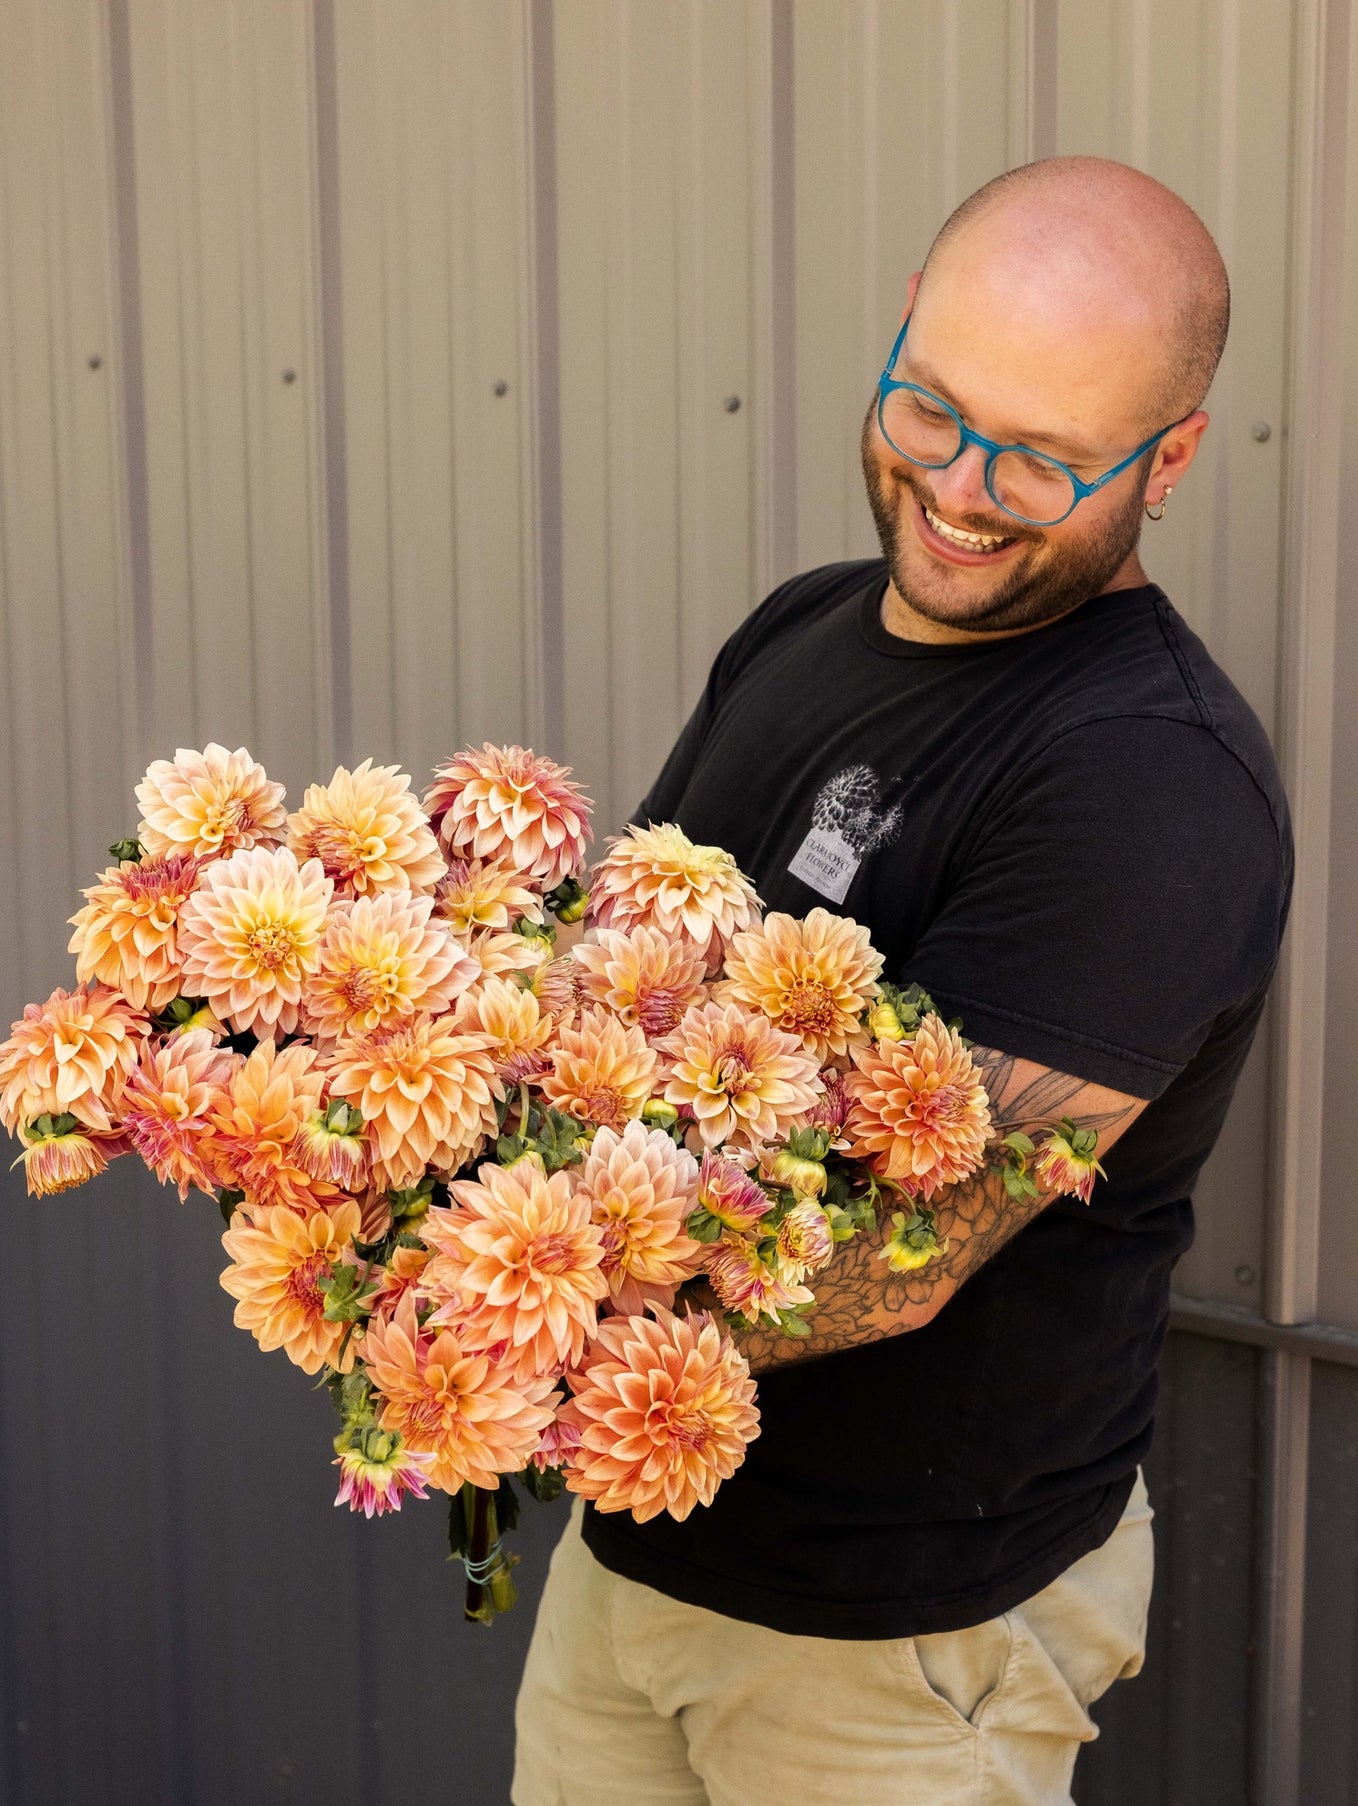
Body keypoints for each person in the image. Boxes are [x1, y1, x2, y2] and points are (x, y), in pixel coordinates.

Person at [513, 155, 1294, 1806]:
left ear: (1171, 460)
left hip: (898, 1636)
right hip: (642, 1545)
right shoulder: (802, 624)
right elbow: (629, 997)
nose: (962, 486)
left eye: (1044, 459)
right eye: (930, 410)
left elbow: (895, 1253)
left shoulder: (1147, 785)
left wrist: (486, 1306)